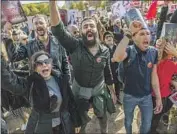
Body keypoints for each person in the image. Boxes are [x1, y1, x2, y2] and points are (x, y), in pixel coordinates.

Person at [49, 1, 117, 134]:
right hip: (79, 90)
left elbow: (108, 73)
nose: (89, 28)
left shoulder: (105, 50)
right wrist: (52, 3)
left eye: (92, 25)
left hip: (99, 89)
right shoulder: (74, 45)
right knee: (80, 121)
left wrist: (112, 92)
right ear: (81, 31)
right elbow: (58, 30)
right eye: (85, 26)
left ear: (96, 29)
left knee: (102, 117)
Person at [1, 51, 78, 134]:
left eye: (47, 62)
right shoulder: (31, 83)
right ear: (35, 68)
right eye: (39, 63)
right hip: (40, 127)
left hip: (64, 125)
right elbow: (10, 82)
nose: (44, 65)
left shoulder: (61, 80)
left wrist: (76, 123)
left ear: (51, 64)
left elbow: (71, 103)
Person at [112, 20, 163, 134]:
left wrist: (158, 97)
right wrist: (128, 34)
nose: (146, 36)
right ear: (134, 38)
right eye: (142, 34)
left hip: (146, 97)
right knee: (128, 121)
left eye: (148, 33)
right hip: (129, 95)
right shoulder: (129, 50)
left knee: (146, 123)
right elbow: (117, 57)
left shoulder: (153, 52)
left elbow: (154, 77)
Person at [4, 14, 70, 79]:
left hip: (58, 82)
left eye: (41, 23)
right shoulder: (29, 45)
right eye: (35, 24)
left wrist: (68, 83)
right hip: (39, 85)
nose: (38, 25)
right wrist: (8, 35)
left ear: (47, 24)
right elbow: (14, 57)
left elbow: (65, 64)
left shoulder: (58, 42)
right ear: (33, 27)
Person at [150, 38, 177, 133]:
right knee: (155, 117)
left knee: (155, 116)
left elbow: (165, 76)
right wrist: (176, 53)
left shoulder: (167, 63)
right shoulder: (167, 64)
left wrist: (172, 82)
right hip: (157, 97)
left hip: (160, 95)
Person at [103, 31, 122, 104]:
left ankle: (118, 98)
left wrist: (117, 59)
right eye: (106, 37)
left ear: (113, 38)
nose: (108, 38)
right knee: (108, 86)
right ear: (104, 40)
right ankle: (109, 100)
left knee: (117, 85)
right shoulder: (103, 49)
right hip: (107, 71)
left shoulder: (117, 47)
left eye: (110, 36)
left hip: (116, 70)